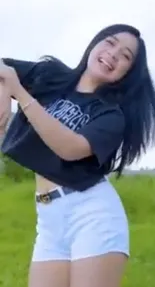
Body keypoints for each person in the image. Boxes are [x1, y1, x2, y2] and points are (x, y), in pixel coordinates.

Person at [0, 23, 155, 287]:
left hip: (91, 214)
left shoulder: (110, 115)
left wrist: (20, 93)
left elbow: (70, 148)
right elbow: (4, 70)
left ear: (127, 72)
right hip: (48, 218)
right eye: (110, 41)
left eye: (126, 55)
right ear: (95, 42)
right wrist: (5, 94)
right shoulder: (50, 75)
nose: (114, 53)